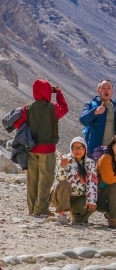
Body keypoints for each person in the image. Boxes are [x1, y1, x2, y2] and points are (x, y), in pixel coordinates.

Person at [11, 79, 69, 216]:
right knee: (45, 180)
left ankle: (32, 209)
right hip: (48, 150)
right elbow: (64, 108)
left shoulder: (27, 109)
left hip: (31, 149)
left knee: (32, 180)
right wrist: (58, 93)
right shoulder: (53, 109)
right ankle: (40, 209)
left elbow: (17, 123)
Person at [51, 136, 97, 226]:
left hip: (78, 198)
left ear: (85, 149)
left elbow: (92, 182)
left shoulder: (90, 163)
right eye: (75, 148)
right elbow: (59, 179)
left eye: (80, 147)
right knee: (64, 184)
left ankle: (77, 217)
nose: (77, 150)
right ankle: (62, 213)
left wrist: (91, 201)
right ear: (71, 148)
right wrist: (62, 166)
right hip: (60, 197)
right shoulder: (64, 160)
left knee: (92, 203)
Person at [80, 79, 116, 155]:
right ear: (98, 90)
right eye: (103, 88)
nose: (106, 90)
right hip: (94, 150)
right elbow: (83, 120)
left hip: (113, 151)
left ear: (112, 91)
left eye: (109, 88)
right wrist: (95, 112)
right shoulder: (91, 105)